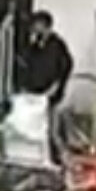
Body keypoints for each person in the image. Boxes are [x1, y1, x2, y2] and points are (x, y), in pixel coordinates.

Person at [20, 10, 74, 166]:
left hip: (52, 95)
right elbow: (27, 66)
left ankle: (64, 160)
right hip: (35, 94)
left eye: (36, 25)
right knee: (35, 130)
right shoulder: (35, 46)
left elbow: (65, 67)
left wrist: (56, 86)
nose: (34, 28)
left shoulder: (57, 45)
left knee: (53, 131)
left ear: (45, 26)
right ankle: (42, 159)